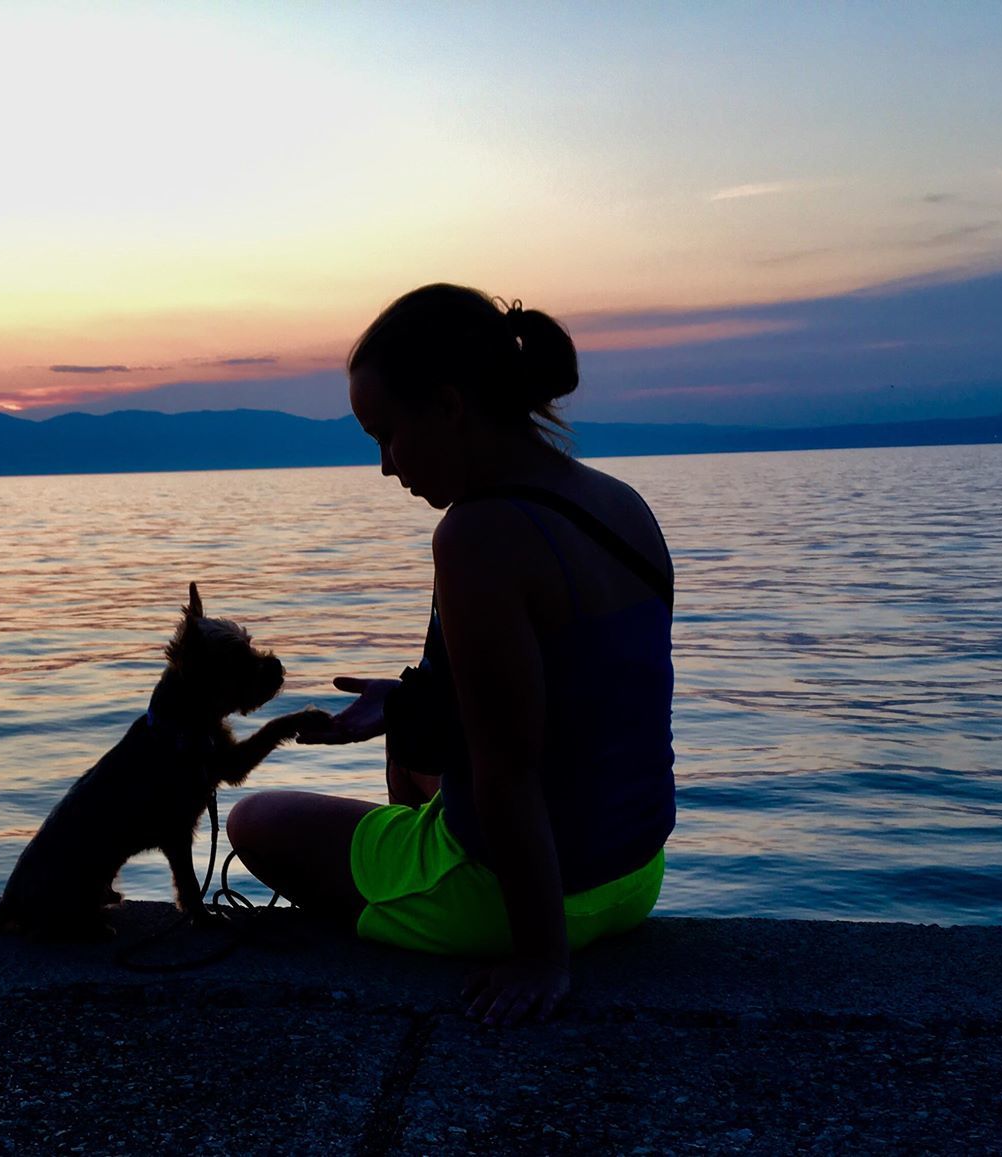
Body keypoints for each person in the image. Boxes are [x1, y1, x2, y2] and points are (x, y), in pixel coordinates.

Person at [225, 283, 676, 1028]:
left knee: (256, 820)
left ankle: (442, 899)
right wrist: (406, 703)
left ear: (448, 405)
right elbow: (585, 691)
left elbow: (509, 772)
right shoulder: (620, 500)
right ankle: (432, 865)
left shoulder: (477, 535)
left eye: (387, 435)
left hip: (531, 906)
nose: (385, 467)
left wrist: (540, 958)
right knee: (411, 753)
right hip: (633, 876)